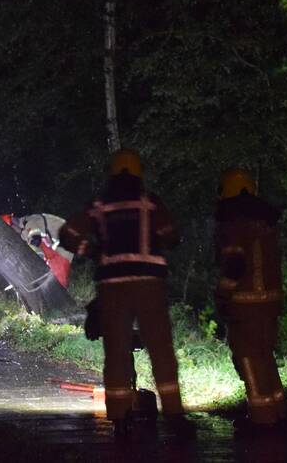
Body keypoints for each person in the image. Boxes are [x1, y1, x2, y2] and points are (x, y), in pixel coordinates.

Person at [58, 148, 189, 436]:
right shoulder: (149, 202)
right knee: (161, 350)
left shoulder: (99, 204)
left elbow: (67, 233)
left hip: (112, 287)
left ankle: (119, 416)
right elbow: (171, 235)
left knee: (116, 352)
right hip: (149, 284)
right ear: (139, 173)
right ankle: (175, 415)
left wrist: (90, 250)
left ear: (111, 173)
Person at [214, 167, 285, 427]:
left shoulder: (235, 224)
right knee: (265, 357)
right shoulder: (267, 223)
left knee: (248, 359)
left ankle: (261, 419)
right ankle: (278, 412)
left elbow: (234, 264)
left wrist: (222, 295)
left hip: (245, 306)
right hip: (270, 305)